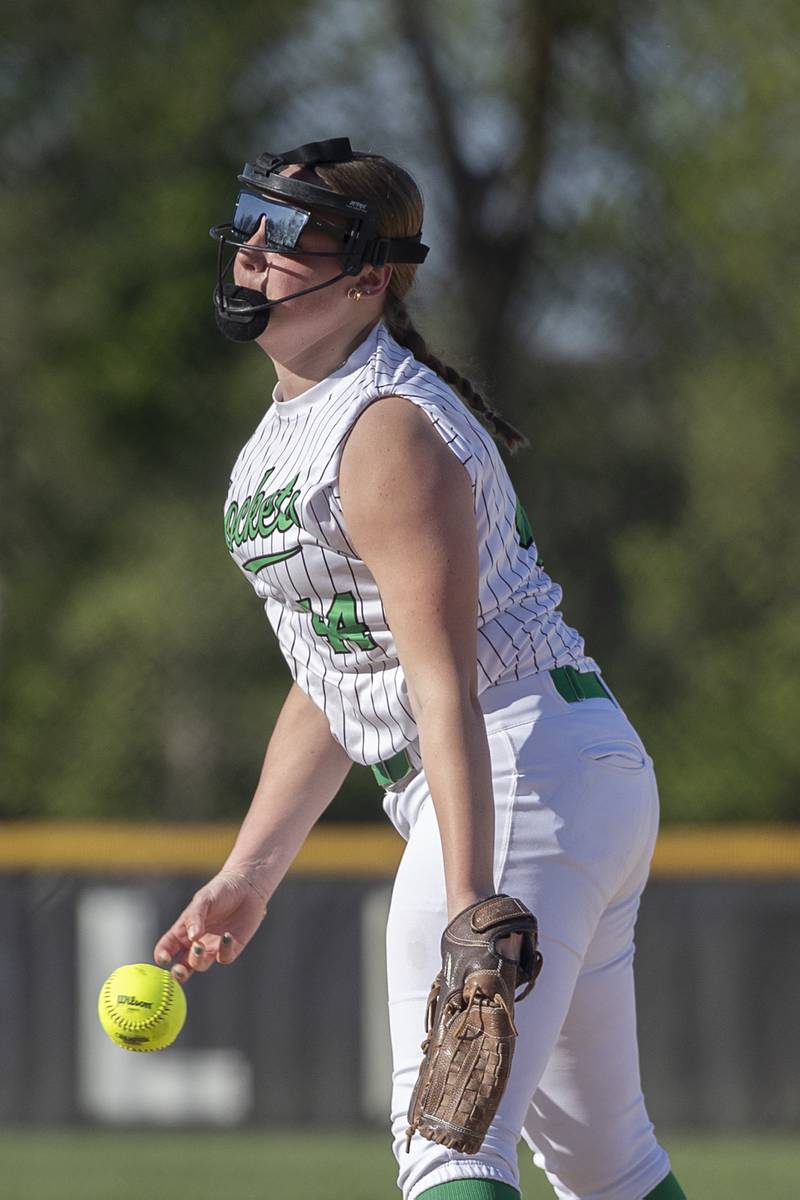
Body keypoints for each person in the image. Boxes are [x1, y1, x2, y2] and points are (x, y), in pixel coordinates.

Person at [153, 138, 686, 1200]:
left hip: (515, 766)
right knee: (607, 1163)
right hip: (557, 770)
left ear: (368, 275)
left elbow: (438, 682)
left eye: (290, 233)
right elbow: (341, 668)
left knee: (447, 1143)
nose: (255, 249)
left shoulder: (385, 429)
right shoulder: (300, 424)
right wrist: (250, 872)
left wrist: (468, 900)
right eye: (249, 221)